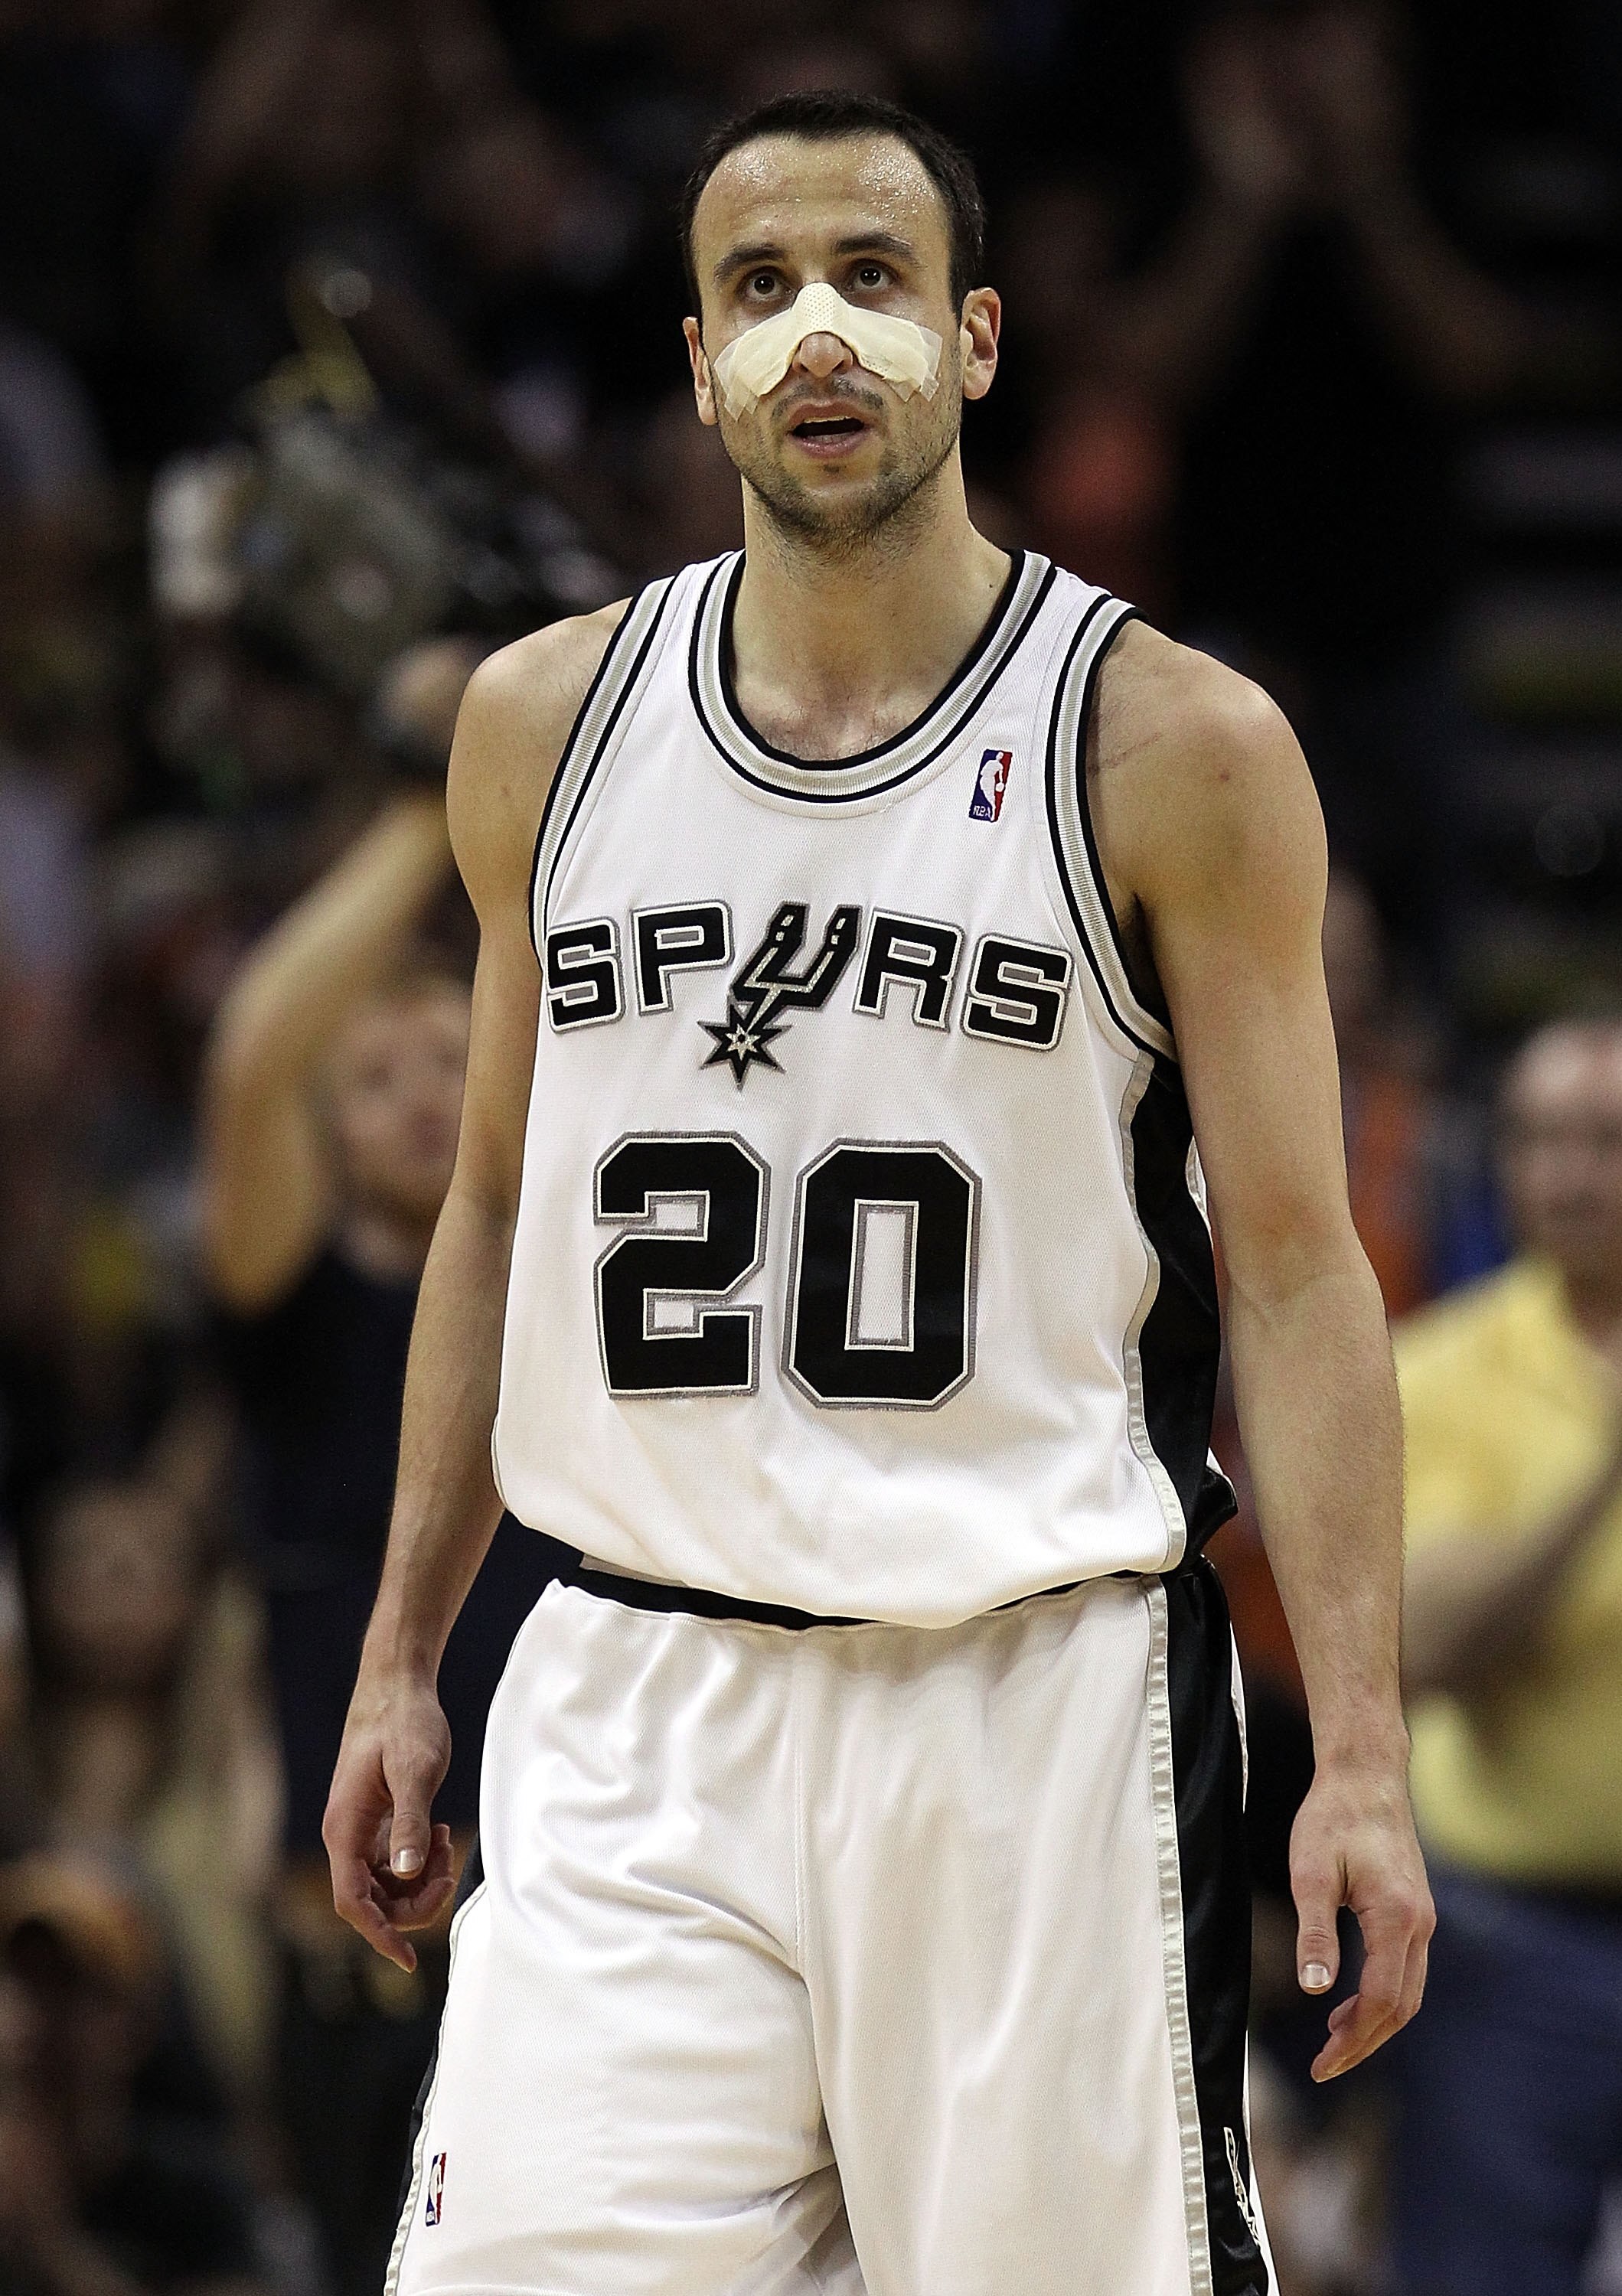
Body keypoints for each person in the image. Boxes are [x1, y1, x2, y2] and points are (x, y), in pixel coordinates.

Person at [325, 91, 1432, 2296]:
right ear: (699, 355)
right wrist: (396, 1658)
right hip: (633, 1688)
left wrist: (1369, 1759)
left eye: (874, 279)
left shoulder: (1175, 744)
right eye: (761, 288)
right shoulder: (540, 724)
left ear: (980, 340)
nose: (819, 333)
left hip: (1020, 1702)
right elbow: (492, 1206)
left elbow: (1302, 1278)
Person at [199, 639, 560, 2296]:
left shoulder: (562, 1289)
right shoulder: (297, 1305)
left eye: (446, 1067)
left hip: (558, 1914)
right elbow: (254, 1054)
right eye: (380, 1081)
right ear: (330, 1131)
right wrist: (440, 805)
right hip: (352, 1943)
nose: (423, 1101)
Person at [1392, 1018, 1622, 2296]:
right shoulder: (1439, 1367)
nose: (1574, 1176)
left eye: (1608, 1142)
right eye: (1543, 1141)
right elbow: (1421, 1646)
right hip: (1513, 1946)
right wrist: (1604, 1469)